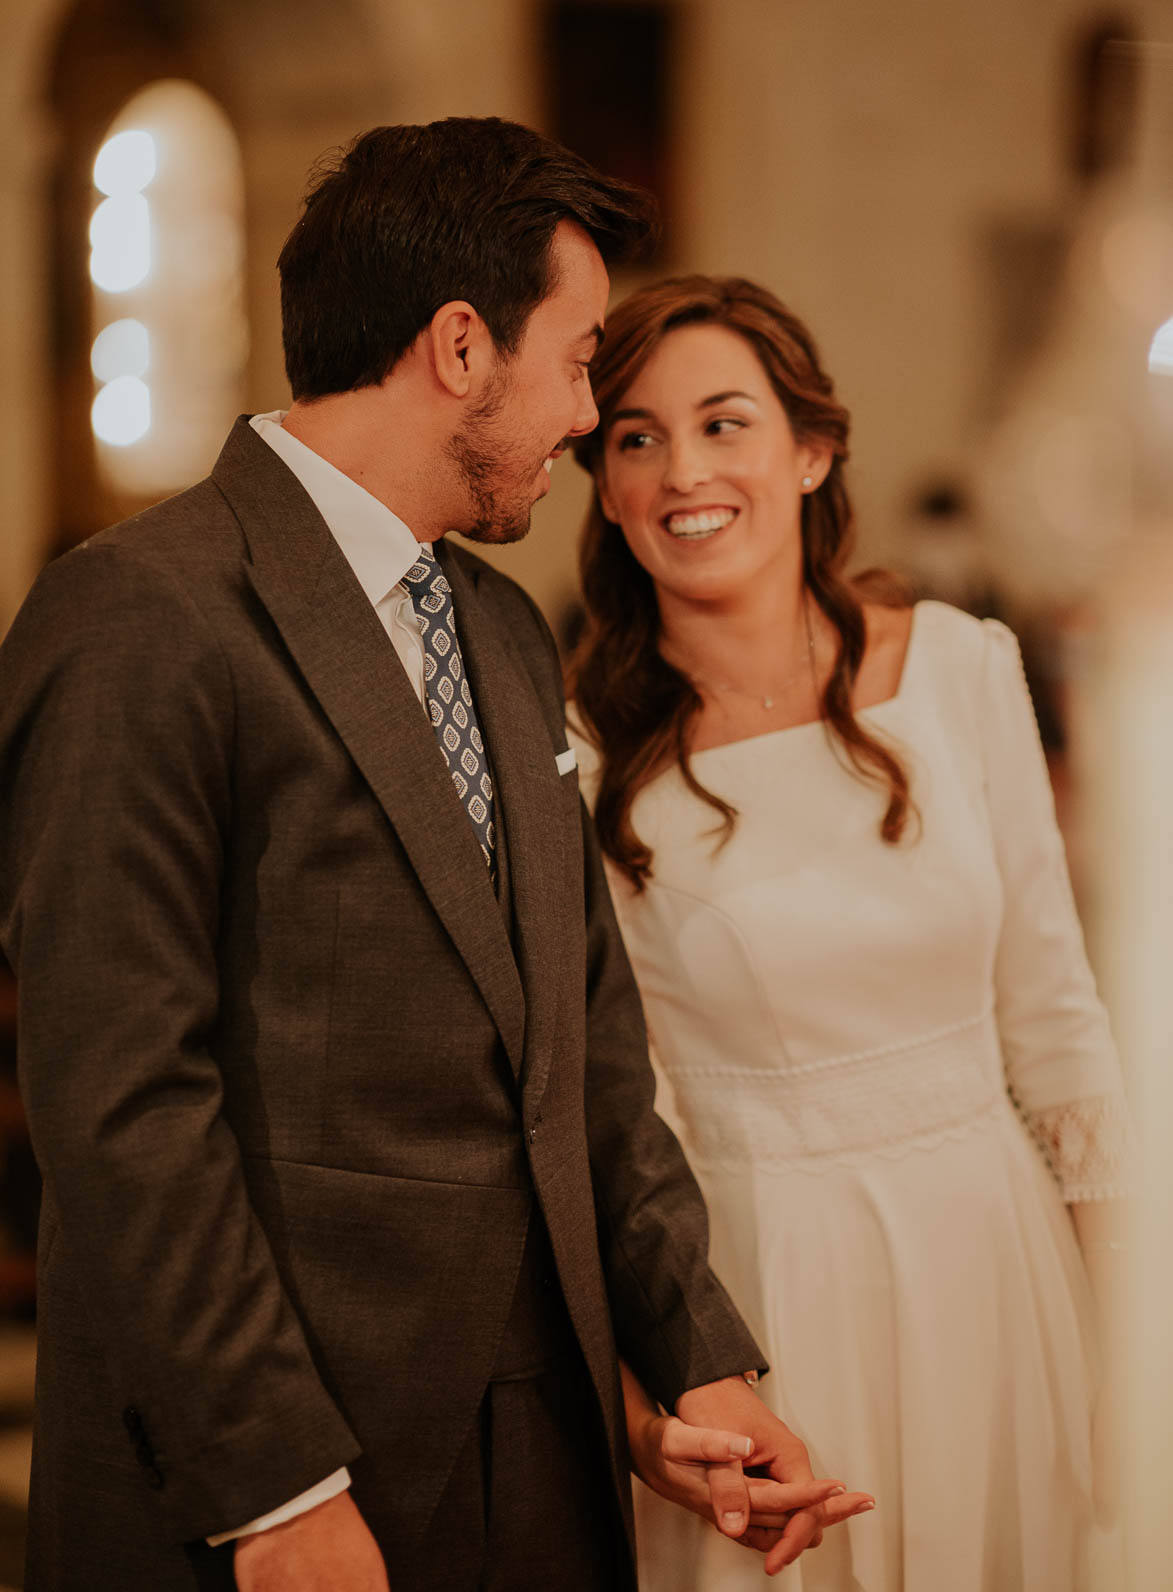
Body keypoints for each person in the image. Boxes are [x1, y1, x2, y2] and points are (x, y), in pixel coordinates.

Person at [0, 128, 872, 1590]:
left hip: (536, 1466)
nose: (588, 416)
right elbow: (123, 1105)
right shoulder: (141, 617)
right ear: (461, 346)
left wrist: (697, 1365)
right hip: (282, 1475)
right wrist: (276, 1487)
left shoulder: (502, 628)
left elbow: (583, 1049)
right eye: (581, 361)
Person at [569, 273, 1133, 1591]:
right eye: (634, 436)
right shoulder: (587, 762)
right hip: (760, 1293)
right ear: (599, 483)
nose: (679, 470)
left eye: (723, 424)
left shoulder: (959, 666)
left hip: (995, 1266)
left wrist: (1127, 1352)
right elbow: (608, 1115)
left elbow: (1057, 1031)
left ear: (810, 450)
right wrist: (651, 1404)